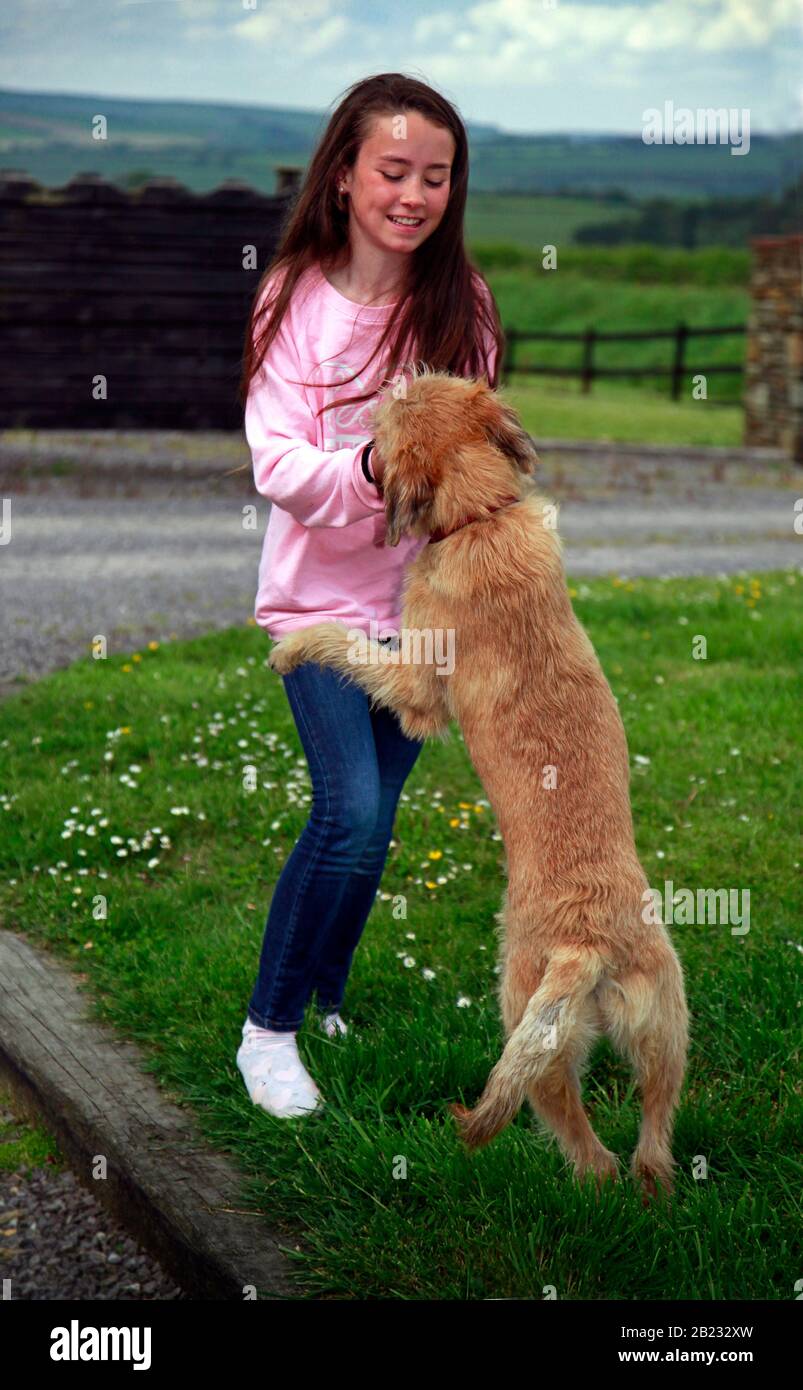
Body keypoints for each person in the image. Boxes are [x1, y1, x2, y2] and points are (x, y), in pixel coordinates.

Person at [235, 72, 503, 1119]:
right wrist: (371, 472)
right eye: (393, 170)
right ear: (343, 175)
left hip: (427, 609)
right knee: (344, 811)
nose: (414, 192)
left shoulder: (460, 301)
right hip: (318, 611)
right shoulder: (291, 295)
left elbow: (474, 446)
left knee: (378, 816)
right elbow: (276, 463)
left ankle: (328, 994)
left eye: (434, 176)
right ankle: (268, 1034)